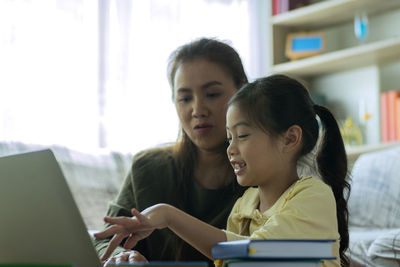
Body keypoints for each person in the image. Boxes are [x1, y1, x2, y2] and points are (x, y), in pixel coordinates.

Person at [95, 74, 351, 267]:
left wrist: (168, 215)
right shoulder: (245, 205)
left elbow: (254, 254)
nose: (231, 149)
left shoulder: (313, 196)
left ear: (289, 139)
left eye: (242, 136)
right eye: (230, 138)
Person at [93, 37, 249, 265]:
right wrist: (121, 257)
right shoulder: (147, 168)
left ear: (242, 92)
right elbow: (105, 240)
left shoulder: (266, 173)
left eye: (212, 94)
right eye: (185, 98)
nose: (197, 110)